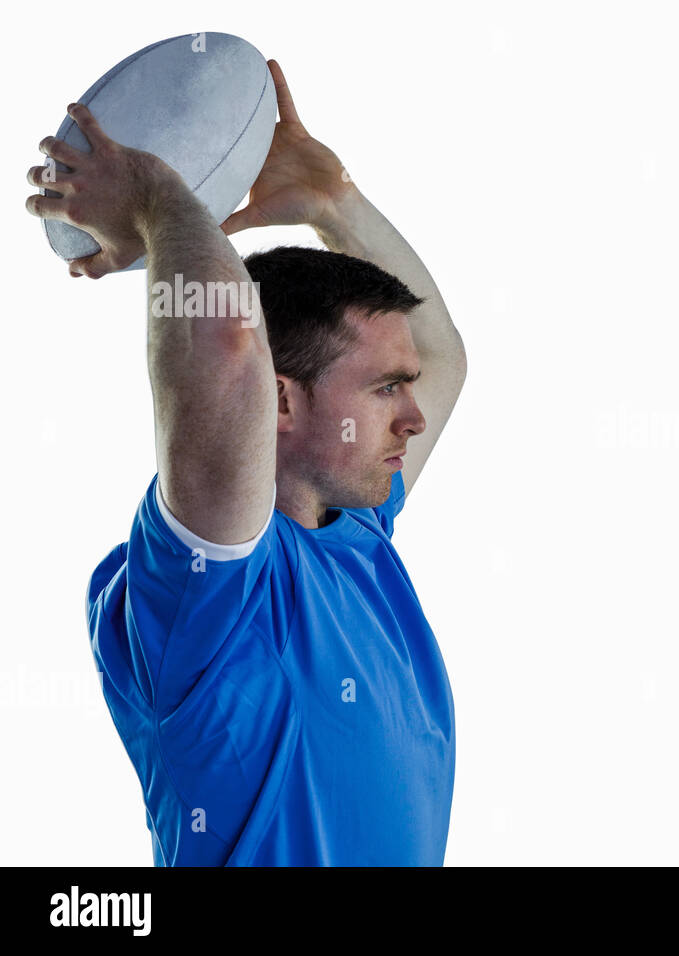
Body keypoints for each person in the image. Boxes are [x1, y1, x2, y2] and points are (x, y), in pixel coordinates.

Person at [24, 60, 466, 865]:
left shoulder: (355, 541)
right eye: (385, 388)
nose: (415, 412)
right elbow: (227, 344)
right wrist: (161, 203)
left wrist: (332, 201)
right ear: (284, 403)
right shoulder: (208, 592)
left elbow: (443, 358)